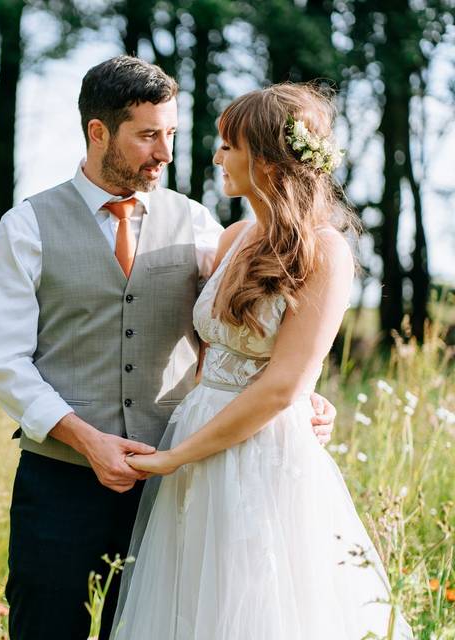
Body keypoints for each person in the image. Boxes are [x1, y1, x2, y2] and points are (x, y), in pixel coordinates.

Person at [0, 56, 336, 640]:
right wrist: (87, 440)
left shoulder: (201, 226)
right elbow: (4, 363)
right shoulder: (27, 226)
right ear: (99, 132)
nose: (166, 152)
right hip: (60, 482)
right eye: (148, 135)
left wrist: (304, 399)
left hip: (177, 483)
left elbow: (243, 334)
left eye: (169, 133)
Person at [111, 83, 413, 639]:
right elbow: (211, 355)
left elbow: (280, 387)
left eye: (230, 145)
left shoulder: (327, 252)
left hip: (261, 453)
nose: (216, 156)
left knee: (255, 604)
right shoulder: (232, 239)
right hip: (199, 435)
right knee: (190, 604)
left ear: (270, 160)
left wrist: (171, 458)